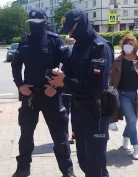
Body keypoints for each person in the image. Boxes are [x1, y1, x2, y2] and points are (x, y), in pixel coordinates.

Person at [49, 9, 114, 177]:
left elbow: (96, 85)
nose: (71, 33)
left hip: (96, 111)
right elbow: (70, 72)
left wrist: (65, 81)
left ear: (82, 23)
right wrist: (59, 73)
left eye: (72, 28)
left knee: (96, 165)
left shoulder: (100, 47)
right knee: (84, 160)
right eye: (68, 30)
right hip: (79, 110)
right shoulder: (78, 46)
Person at [11, 9, 75, 177]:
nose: (34, 26)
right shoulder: (25, 41)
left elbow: (69, 66)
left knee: (60, 138)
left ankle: (67, 172)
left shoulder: (55, 40)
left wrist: (57, 87)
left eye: (37, 23)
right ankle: (23, 169)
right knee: (25, 136)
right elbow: (16, 65)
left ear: (44, 21)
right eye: (31, 23)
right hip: (30, 95)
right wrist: (20, 85)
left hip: (51, 95)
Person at [109, 34, 138, 160]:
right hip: (123, 95)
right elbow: (111, 80)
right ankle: (136, 147)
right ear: (123, 45)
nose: (128, 46)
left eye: (131, 44)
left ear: (135, 46)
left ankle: (126, 138)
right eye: (126, 44)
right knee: (131, 120)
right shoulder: (117, 60)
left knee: (133, 120)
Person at [62, 36, 76, 144]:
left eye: (73, 42)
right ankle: (66, 134)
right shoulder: (63, 54)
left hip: (76, 89)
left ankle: (75, 133)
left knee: (76, 113)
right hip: (65, 89)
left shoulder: (79, 54)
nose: (72, 45)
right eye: (70, 42)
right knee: (65, 112)